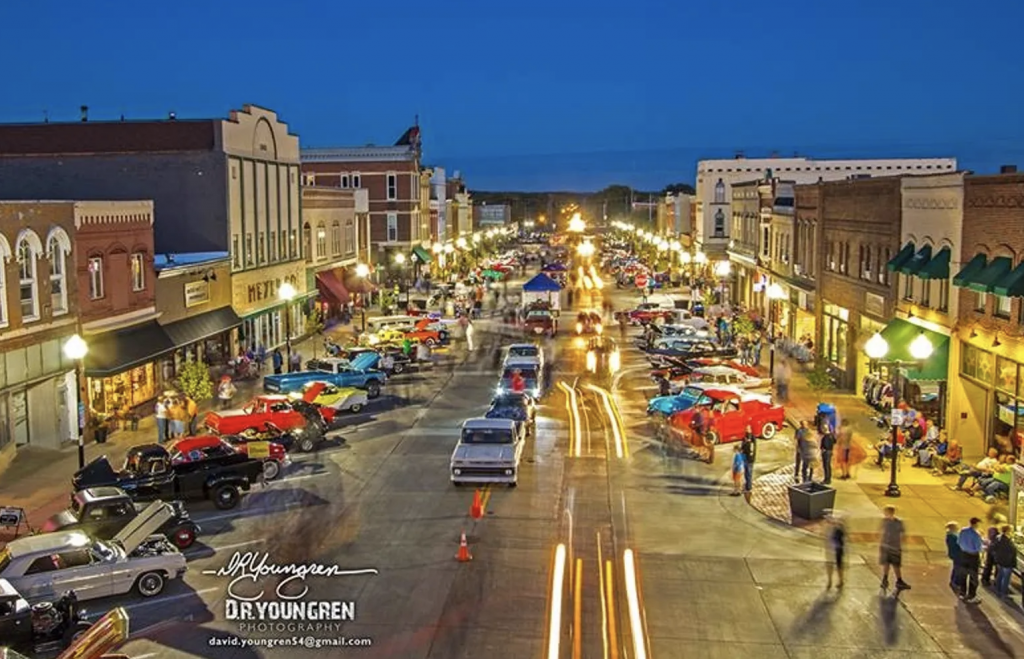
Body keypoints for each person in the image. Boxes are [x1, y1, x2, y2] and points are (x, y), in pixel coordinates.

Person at [879, 505, 911, 593]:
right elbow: (902, 534)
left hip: (889, 546)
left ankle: (886, 580)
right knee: (893, 564)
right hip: (893, 546)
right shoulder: (897, 522)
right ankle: (897, 581)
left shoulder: (886, 522)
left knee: (890, 564)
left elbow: (881, 532)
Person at [957, 517, 984, 603]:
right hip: (973, 557)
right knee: (973, 576)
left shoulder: (963, 531)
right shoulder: (976, 535)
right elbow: (978, 548)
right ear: (976, 524)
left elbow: (959, 542)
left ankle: (962, 593)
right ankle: (971, 596)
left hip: (963, 554)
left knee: (963, 575)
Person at [991, 524, 1018, 599]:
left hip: (1000, 561)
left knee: (1000, 575)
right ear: (1008, 531)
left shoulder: (999, 538)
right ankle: (1003, 594)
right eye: (1011, 530)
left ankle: (997, 590)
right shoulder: (1007, 541)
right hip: (1007, 562)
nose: (1012, 532)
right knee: (1005, 578)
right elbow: (1011, 551)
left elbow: (994, 548)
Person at [981, 513, 1008, 586]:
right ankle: (989, 580)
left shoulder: (993, 528)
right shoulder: (994, 529)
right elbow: (994, 539)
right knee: (993, 565)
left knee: (991, 565)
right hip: (995, 551)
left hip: (993, 550)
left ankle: (988, 579)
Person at [826, 512, 846, 589]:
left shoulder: (839, 529)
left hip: (837, 550)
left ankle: (840, 581)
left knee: (838, 566)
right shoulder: (830, 528)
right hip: (832, 550)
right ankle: (830, 581)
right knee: (831, 565)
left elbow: (842, 538)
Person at [740, 425, 757, 494]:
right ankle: (747, 486)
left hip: (749, 459)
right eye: (746, 429)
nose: (746, 430)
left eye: (748, 429)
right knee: (746, 473)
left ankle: (749, 488)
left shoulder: (752, 438)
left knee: (749, 473)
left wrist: (747, 442)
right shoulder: (745, 437)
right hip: (745, 457)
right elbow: (742, 447)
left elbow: (751, 449)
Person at [945, 521, 961, 591]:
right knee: (957, 568)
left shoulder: (950, 536)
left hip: (954, 554)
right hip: (957, 554)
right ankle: (954, 582)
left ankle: (954, 581)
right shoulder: (953, 537)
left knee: (956, 567)